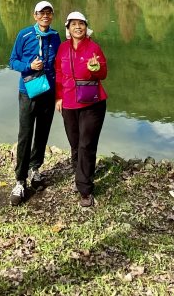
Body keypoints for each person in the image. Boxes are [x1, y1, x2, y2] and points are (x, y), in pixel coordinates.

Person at [7, 0, 60, 206]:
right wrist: (29, 65)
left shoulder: (55, 36)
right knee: (25, 134)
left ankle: (35, 169)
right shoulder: (25, 34)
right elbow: (12, 61)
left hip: (48, 91)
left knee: (43, 133)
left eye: (49, 13)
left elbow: (60, 62)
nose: (45, 16)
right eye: (41, 13)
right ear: (35, 15)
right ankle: (20, 180)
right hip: (28, 91)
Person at [54, 11, 108, 208]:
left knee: (86, 143)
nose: (78, 27)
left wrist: (96, 68)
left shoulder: (94, 47)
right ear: (67, 28)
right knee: (75, 143)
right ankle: (80, 174)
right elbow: (58, 73)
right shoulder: (62, 49)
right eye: (74, 24)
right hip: (68, 101)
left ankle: (85, 189)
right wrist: (58, 96)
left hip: (92, 102)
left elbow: (104, 73)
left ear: (86, 27)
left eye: (82, 23)